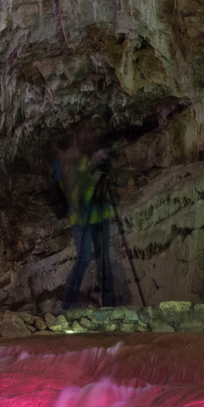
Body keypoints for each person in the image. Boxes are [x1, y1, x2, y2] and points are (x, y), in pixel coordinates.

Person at [55, 129, 117, 309]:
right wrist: (91, 169)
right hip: (82, 218)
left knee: (104, 259)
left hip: (100, 214)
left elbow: (102, 188)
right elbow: (75, 190)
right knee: (84, 258)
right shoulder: (70, 161)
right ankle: (67, 304)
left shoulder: (90, 161)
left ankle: (110, 305)